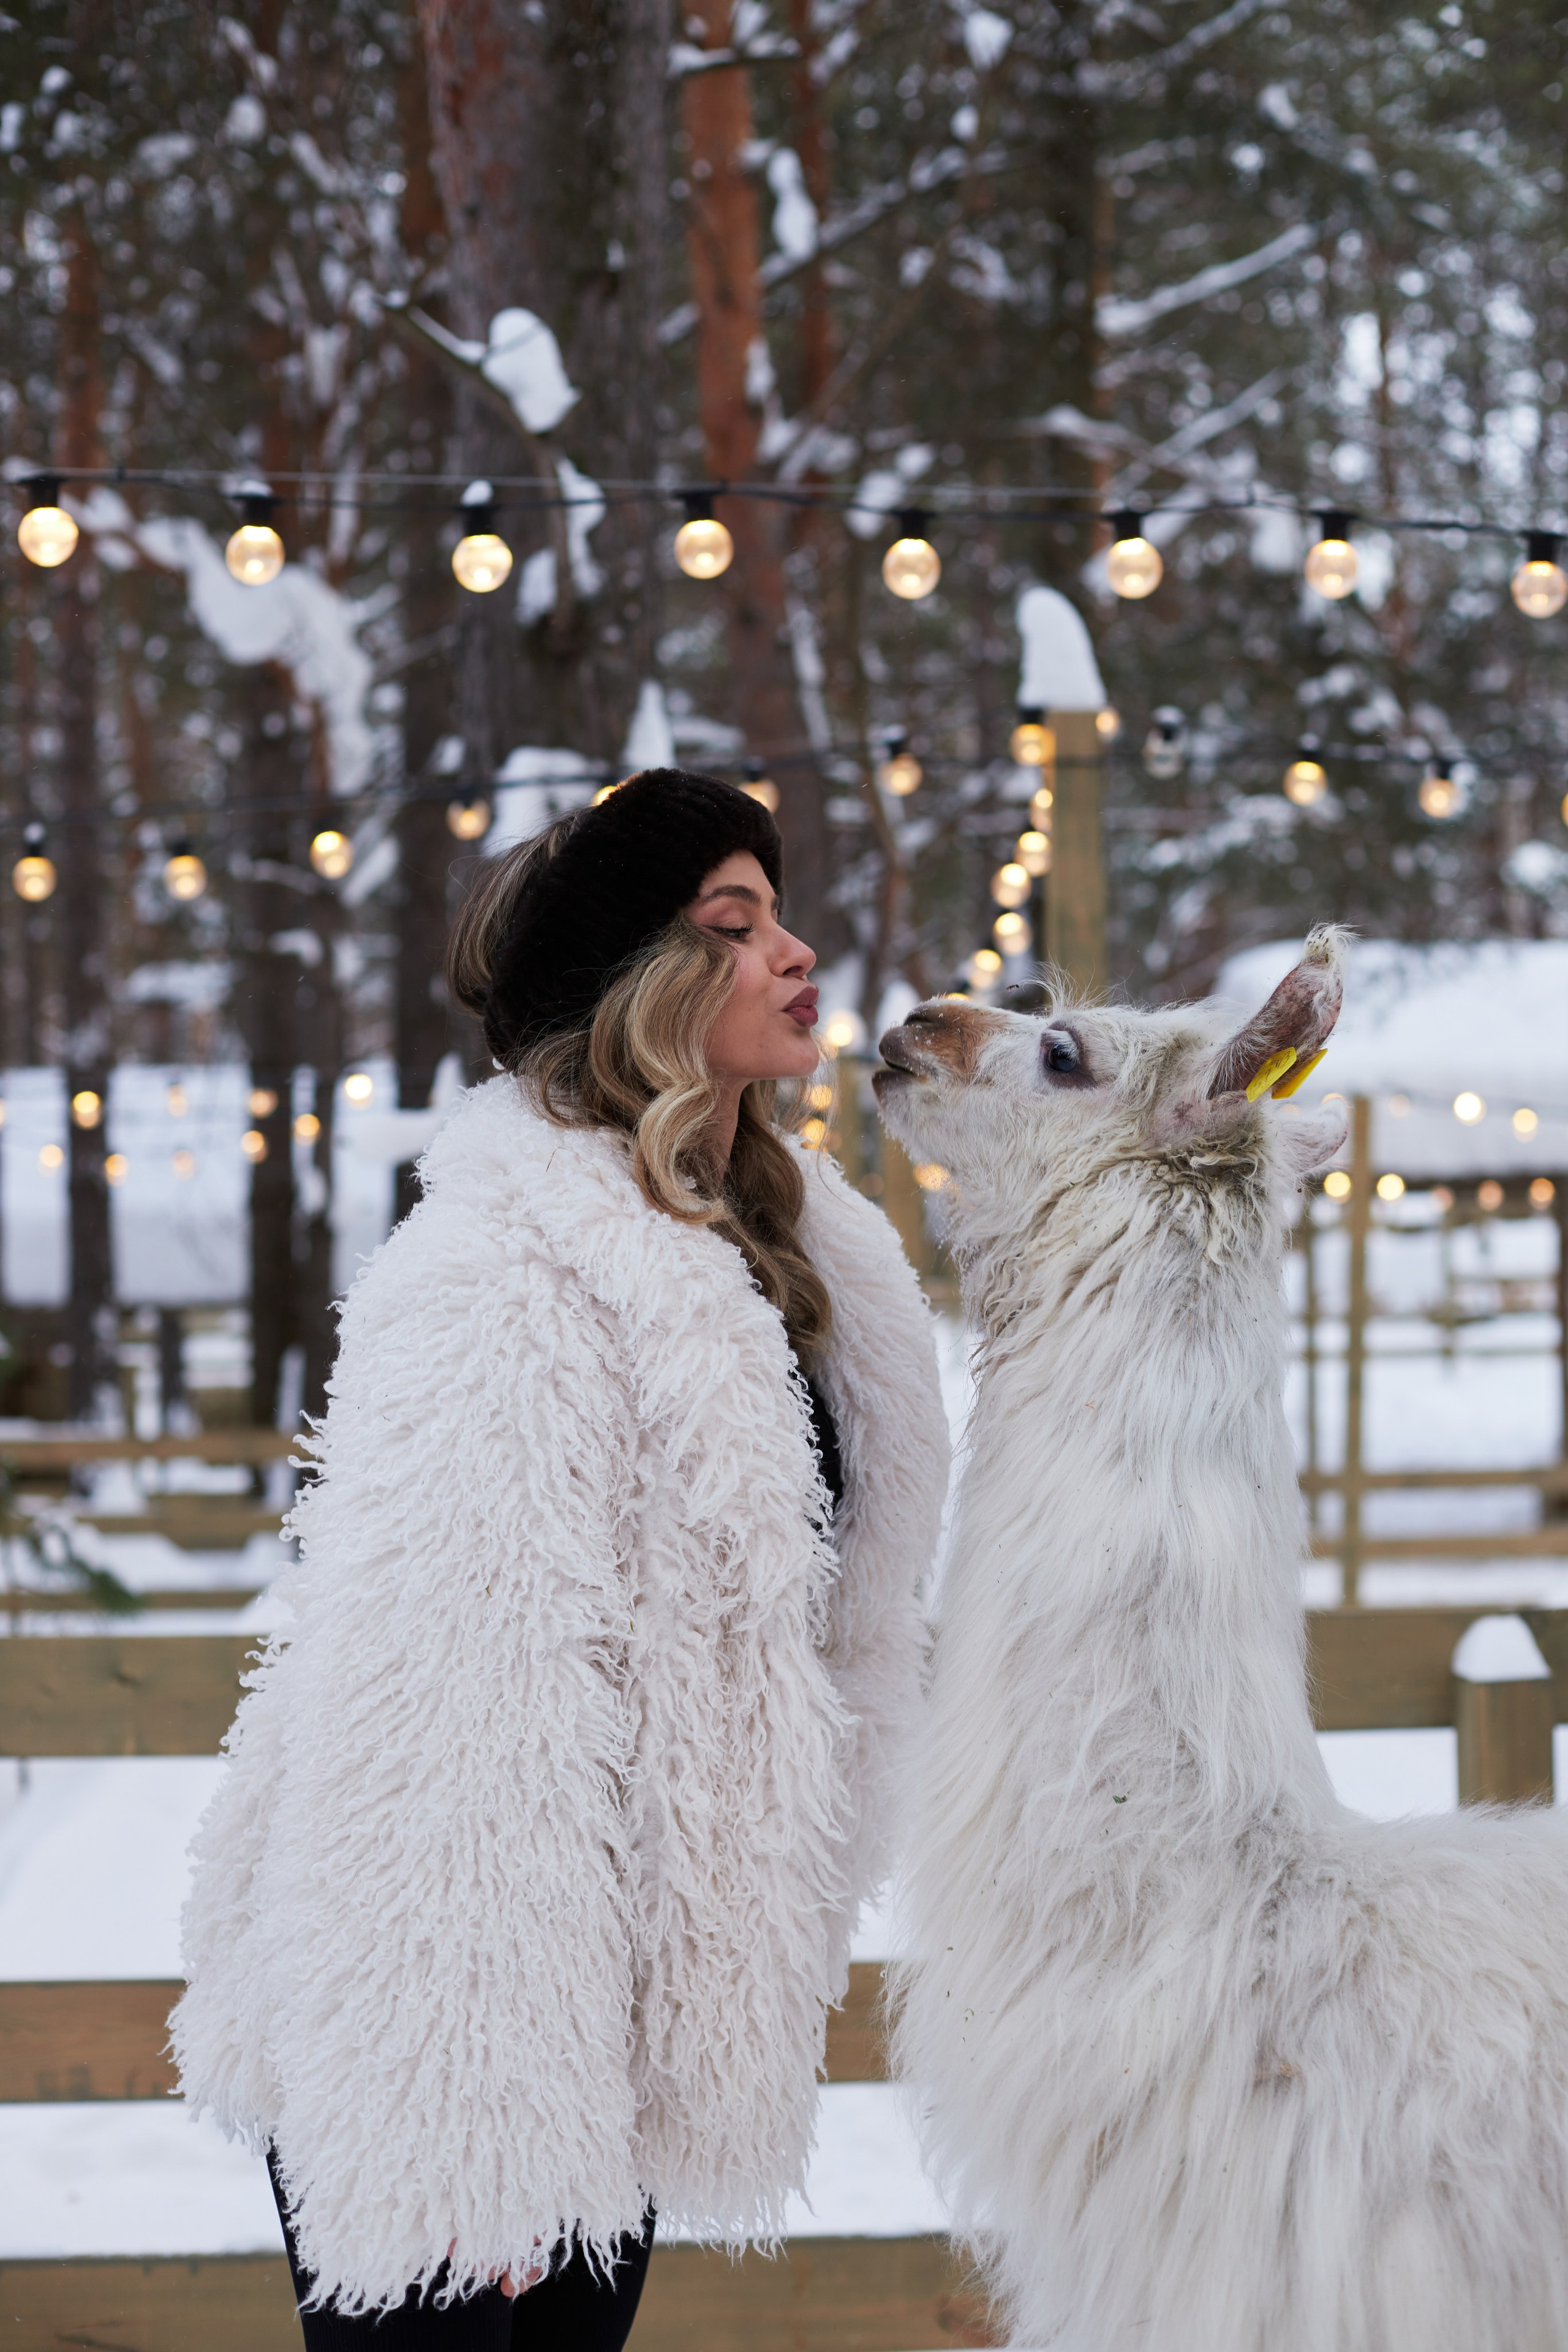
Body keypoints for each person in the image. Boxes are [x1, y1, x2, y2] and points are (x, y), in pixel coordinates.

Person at [172, 768, 948, 2348]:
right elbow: (445, 1743)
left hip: (612, 2019)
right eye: (735, 925)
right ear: (643, 992)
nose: (795, 951)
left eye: (780, 911)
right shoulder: (501, 1277)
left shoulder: (778, 1256)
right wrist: (482, 2138)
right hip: (442, 2040)